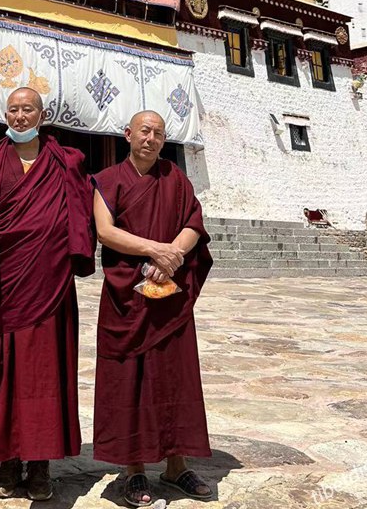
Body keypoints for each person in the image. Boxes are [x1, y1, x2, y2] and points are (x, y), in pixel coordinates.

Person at [0, 87, 95, 501]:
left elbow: (84, 213)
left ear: (42, 113)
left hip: (49, 285)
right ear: (6, 114)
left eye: (27, 109)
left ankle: (40, 464)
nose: (19, 117)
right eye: (13, 110)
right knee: (0, 372)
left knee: (44, 373)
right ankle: (6, 461)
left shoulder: (66, 161)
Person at [91, 111, 214, 507]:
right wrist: (153, 249)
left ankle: (177, 465)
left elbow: (193, 221)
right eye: (144, 131)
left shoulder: (175, 179)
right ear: (128, 135)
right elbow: (105, 231)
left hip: (169, 292)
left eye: (158, 133)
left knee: (173, 377)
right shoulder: (107, 180)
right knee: (129, 379)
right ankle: (133, 469)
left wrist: (172, 255)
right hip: (127, 294)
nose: (151, 138)